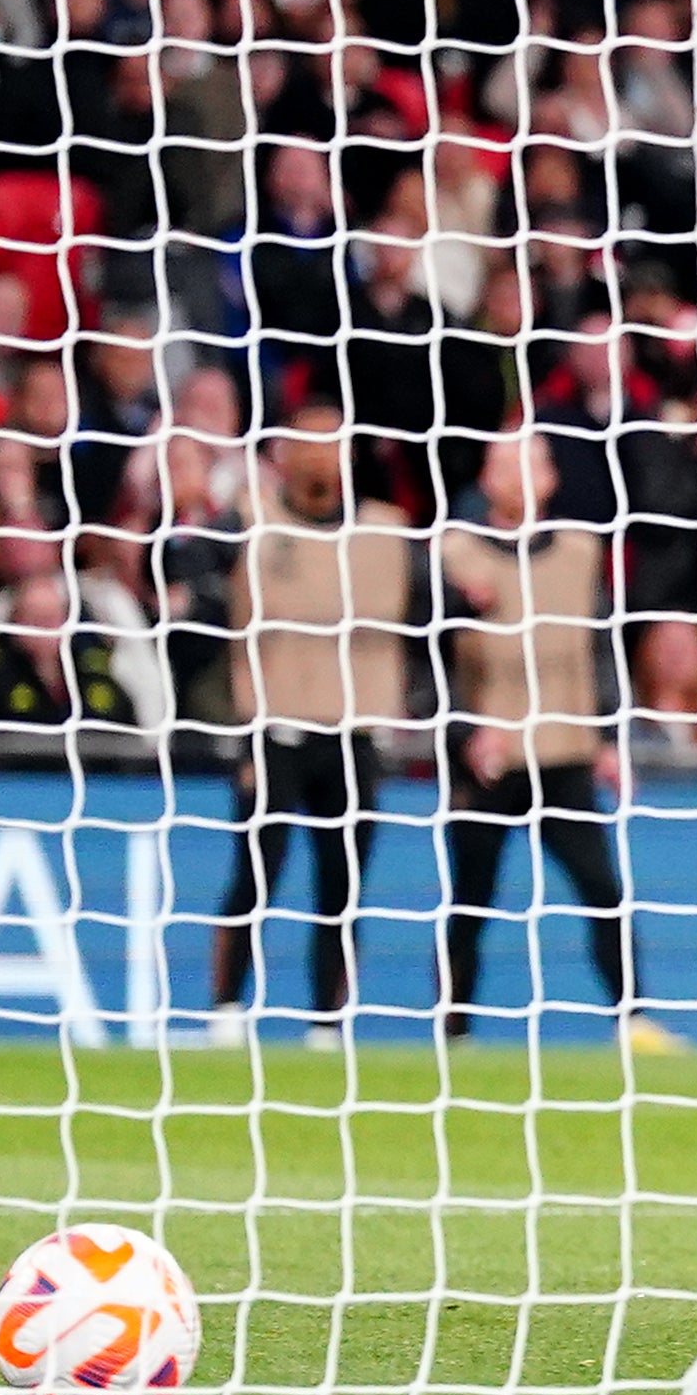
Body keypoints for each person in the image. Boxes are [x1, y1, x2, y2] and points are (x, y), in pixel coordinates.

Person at [435, 433, 670, 1050]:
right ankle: (453, 1026)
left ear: (550, 479)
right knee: (471, 900)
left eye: (532, 461)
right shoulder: (453, 554)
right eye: (505, 462)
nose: (519, 474)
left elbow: (600, 647)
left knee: (603, 890)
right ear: (486, 477)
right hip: (488, 760)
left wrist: (611, 737)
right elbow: (425, 659)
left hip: (564, 753)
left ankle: (634, 1017)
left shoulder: (578, 551)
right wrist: (464, 731)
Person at [210, 402, 421, 1039]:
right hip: (275, 730)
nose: (319, 456)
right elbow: (184, 566)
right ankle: (224, 1008)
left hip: (354, 733)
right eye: (306, 443)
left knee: (342, 888)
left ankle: (326, 1021)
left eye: (331, 444)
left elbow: (433, 608)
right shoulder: (250, 522)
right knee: (255, 875)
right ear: (284, 453)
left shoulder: (387, 532)